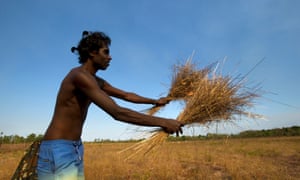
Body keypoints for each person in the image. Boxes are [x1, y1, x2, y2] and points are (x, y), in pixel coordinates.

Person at [37, 31, 183, 179]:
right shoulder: (80, 77)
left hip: (73, 146)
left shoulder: (95, 80)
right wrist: (164, 122)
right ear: (93, 53)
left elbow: (126, 95)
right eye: (106, 52)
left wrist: (155, 101)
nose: (110, 57)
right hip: (59, 148)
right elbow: (117, 112)